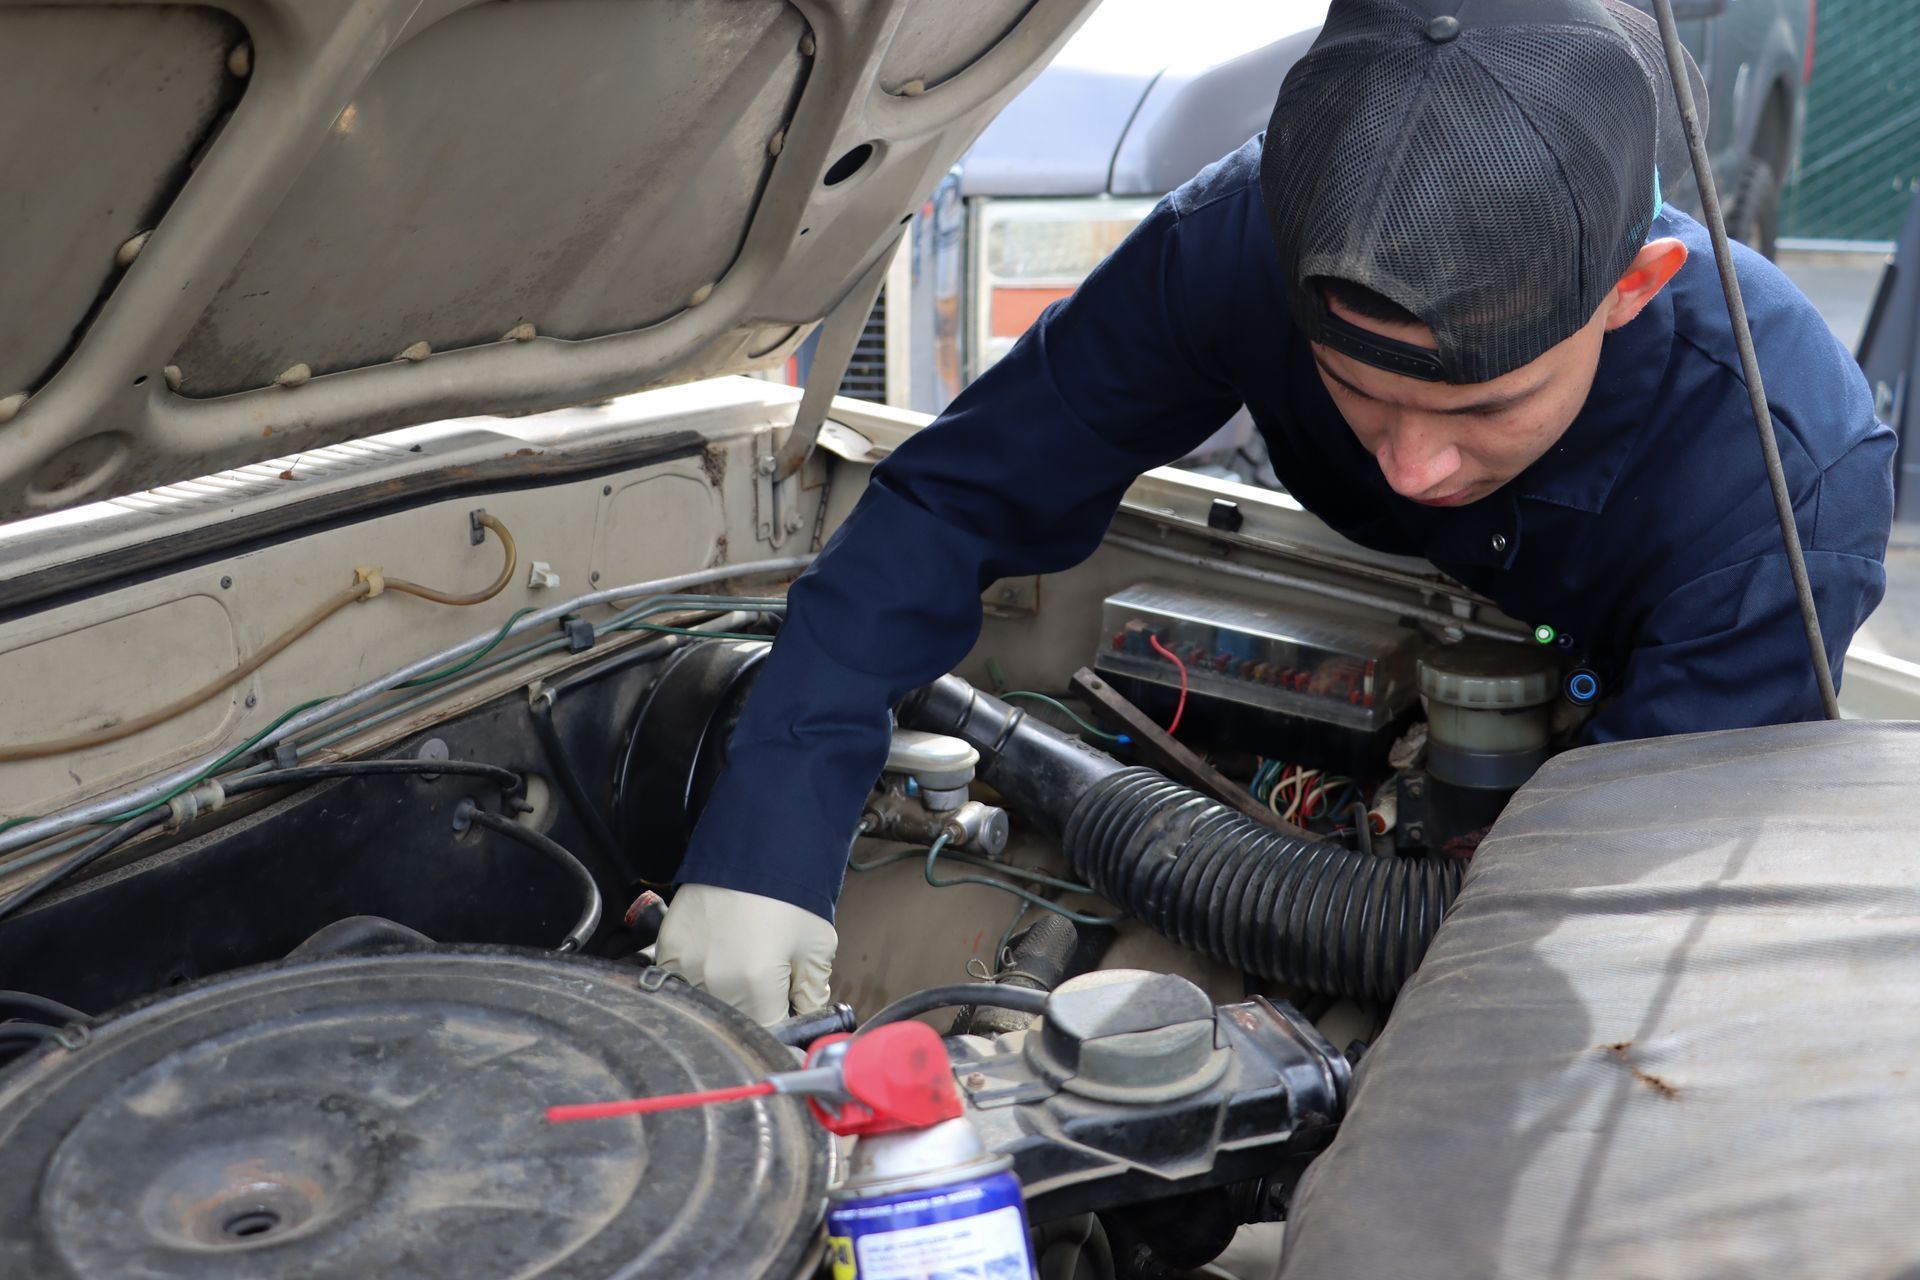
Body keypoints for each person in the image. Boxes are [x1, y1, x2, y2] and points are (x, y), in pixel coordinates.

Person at [652, 0, 1895, 1021]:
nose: (1410, 467)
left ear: (1633, 288)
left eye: (1480, 410)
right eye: (1356, 390)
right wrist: (769, 832)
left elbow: (1616, 927)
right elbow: (963, 491)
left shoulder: (1786, 482)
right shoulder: (1234, 247)